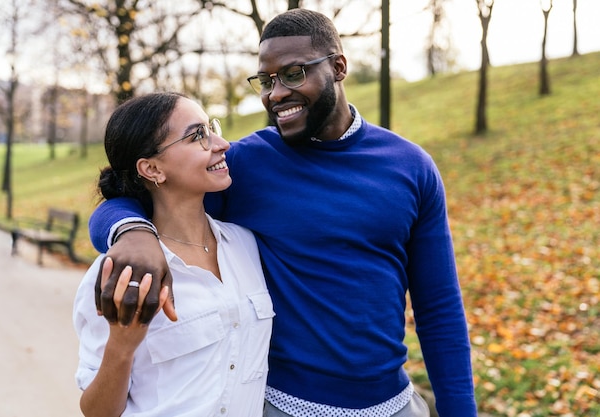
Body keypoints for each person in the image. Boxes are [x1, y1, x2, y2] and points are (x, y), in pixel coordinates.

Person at [88, 9, 477, 417]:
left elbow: (440, 312)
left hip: (393, 404)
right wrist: (132, 232)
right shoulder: (246, 165)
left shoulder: (411, 167)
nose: (275, 94)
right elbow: (132, 192)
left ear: (338, 67)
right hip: (279, 405)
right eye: (267, 81)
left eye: (293, 74)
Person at [73, 92, 274, 417]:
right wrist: (121, 348)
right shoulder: (120, 274)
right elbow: (97, 411)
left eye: (212, 128)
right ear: (152, 169)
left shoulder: (245, 246)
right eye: (198, 136)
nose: (222, 144)